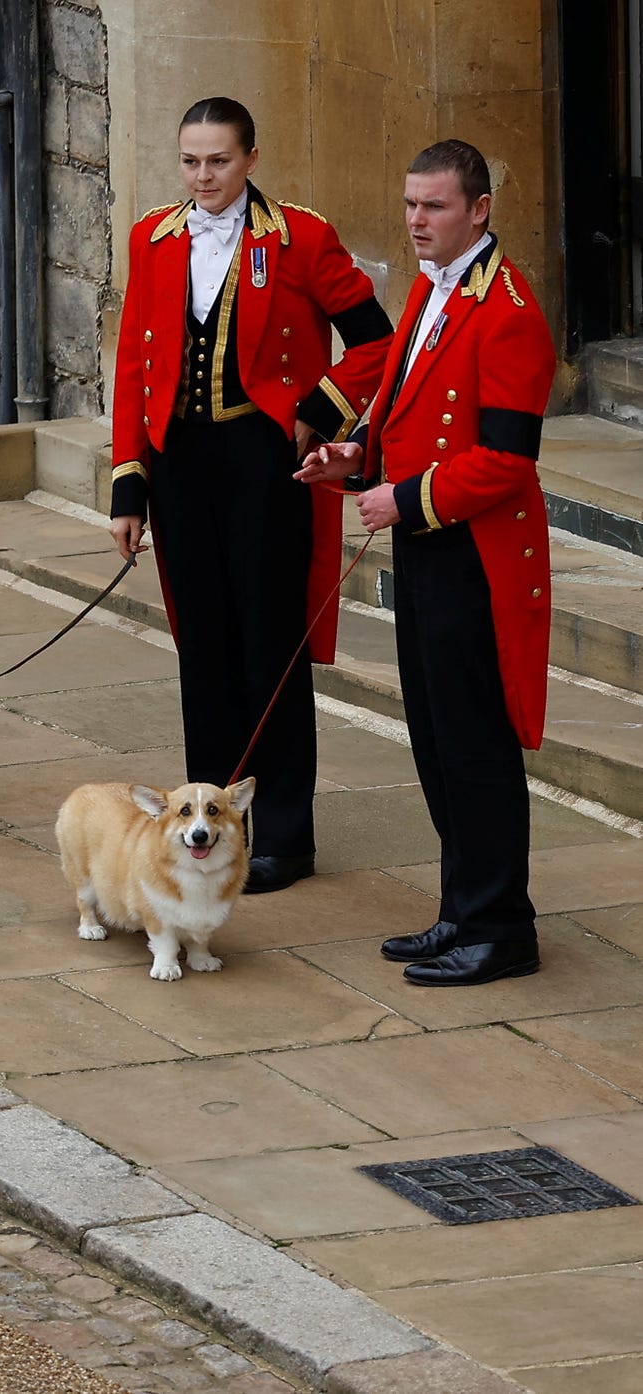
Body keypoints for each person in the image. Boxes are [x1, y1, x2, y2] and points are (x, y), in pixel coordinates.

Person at [109, 96, 393, 893]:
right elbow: (134, 365)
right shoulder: (152, 238)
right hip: (181, 468)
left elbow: (376, 338)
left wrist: (318, 413)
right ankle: (210, 829)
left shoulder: (300, 237)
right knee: (202, 648)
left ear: (251, 160)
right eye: (192, 161)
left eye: (220, 161)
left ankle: (288, 838)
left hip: (265, 466)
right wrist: (128, 486)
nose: (204, 177)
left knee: (271, 650)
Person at [298, 139, 556, 983]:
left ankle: (501, 928)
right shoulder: (430, 290)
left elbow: (508, 460)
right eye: (410, 205)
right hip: (429, 549)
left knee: (475, 742)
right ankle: (461, 910)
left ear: (479, 210)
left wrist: (404, 499)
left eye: (434, 206)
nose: (416, 221)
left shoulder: (509, 309)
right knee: (436, 738)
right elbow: (403, 414)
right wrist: (354, 460)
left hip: (476, 557)